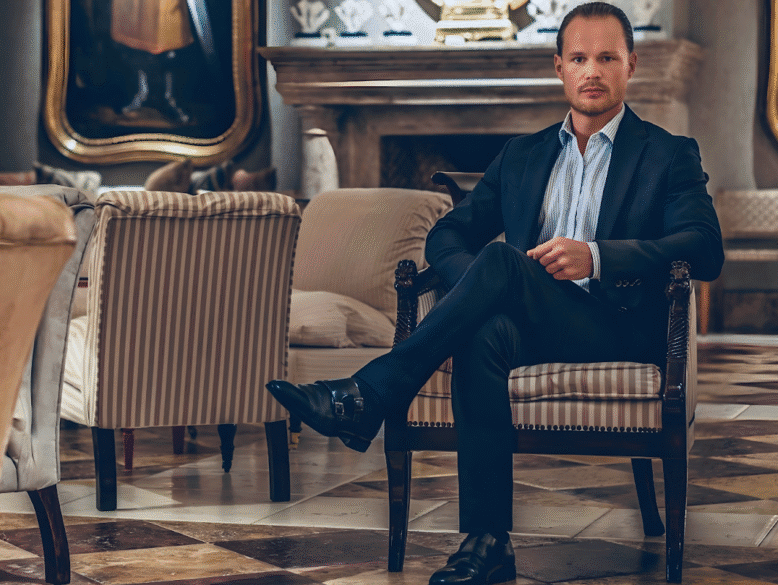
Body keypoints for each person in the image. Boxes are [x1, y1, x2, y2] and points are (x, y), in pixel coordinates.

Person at [265, 3, 723, 583]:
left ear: (631, 64)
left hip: (621, 322)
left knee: (503, 264)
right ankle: (487, 544)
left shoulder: (667, 153)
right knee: (485, 326)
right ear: (559, 67)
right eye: (579, 58)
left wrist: (598, 257)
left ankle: (366, 395)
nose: (593, 71)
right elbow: (447, 235)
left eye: (607, 57)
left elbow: (705, 247)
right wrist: (486, 285)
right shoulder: (522, 154)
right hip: (536, 316)